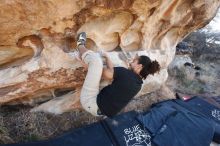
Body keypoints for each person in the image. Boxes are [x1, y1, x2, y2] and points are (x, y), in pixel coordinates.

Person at [75, 32, 160, 117]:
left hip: (90, 101)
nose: (131, 62)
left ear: (139, 66)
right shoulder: (138, 85)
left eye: (134, 61)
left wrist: (85, 64)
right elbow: (112, 72)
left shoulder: (126, 74)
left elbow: (101, 72)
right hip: (100, 111)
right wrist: (107, 57)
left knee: (96, 61)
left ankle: (80, 45)